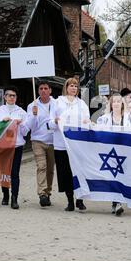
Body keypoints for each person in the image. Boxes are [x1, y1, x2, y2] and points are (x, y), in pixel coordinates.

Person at [49, 78, 90, 212]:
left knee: (78, 171)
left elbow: (87, 120)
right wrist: (55, 121)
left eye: (76, 86)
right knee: (65, 172)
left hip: (77, 144)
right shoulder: (57, 102)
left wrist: (85, 122)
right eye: (71, 85)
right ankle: (70, 200)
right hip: (62, 143)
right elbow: (50, 123)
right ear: (66, 87)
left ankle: (80, 199)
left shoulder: (82, 104)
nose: (73, 88)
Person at [97, 93, 131, 216]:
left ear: (122, 104)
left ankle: (117, 202)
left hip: (125, 152)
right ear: (110, 104)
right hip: (110, 151)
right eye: (113, 101)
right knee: (113, 176)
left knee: (122, 177)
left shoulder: (130, 118)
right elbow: (98, 132)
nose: (116, 103)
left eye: (118, 101)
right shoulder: (103, 118)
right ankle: (116, 202)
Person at [0, 86, 29, 210]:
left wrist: (21, 123)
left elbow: (25, 132)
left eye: (14, 95)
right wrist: (2, 123)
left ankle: (14, 198)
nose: (12, 97)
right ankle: (5, 195)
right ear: (5, 97)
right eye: (9, 95)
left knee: (14, 172)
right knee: (4, 172)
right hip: (3, 146)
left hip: (16, 145)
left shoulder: (21, 112)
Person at [26, 81, 56, 208]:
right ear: (38, 91)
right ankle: (42, 194)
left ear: (50, 90)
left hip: (53, 141)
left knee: (50, 169)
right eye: (41, 88)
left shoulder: (56, 103)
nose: (43, 90)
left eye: (45, 88)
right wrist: (33, 115)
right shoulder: (32, 105)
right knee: (42, 166)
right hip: (38, 140)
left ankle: (48, 192)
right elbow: (29, 126)